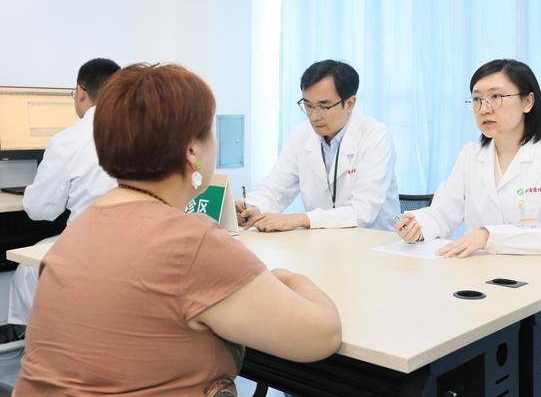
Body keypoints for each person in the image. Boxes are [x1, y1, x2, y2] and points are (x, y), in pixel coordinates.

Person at [13, 63, 341, 396]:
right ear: (193, 152)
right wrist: (289, 278)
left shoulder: (80, 229)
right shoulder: (191, 242)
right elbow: (321, 336)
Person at [395, 59, 541, 350]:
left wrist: (487, 235)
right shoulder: (471, 155)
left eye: (496, 97)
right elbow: (443, 212)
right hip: (477, 291)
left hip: (539, 297)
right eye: (477, 99)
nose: (484, 108)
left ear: (528, 102)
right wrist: (418, 225)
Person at [8, 58, 120, 326]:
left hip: (88, 251)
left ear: (80, 92)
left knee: (27, 270)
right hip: (131, 250)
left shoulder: (68, 140)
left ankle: (32, 339)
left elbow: (40, 211)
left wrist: (32, 190)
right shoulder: (144, 135)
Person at [237, 60, 400, 232]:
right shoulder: (301, 134)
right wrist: (254, 207)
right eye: (308, 106)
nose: (314, 116)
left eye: (324, 106)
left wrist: (301, 219)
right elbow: (276, 188)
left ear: (350, 103)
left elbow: (363, 211)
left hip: (372, 242)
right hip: (320, 241)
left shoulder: (375, 136)